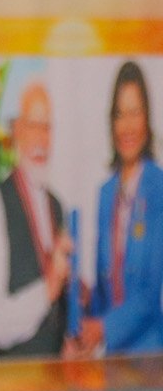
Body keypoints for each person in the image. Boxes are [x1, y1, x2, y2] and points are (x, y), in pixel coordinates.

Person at [0, 79, 72, 359]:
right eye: (33, 126)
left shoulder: (58, 206)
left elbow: (55, 313)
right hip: (13, 378)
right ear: (17, 130)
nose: (41, 139)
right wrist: (47, 290)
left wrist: (68, 338)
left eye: (47, 128)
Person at [77, 61, 163, 356]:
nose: (127, 126)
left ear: (147, 118)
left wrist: (103, 328)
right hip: (112, 360)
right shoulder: (105, 194)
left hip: (150, 356)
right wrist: (86, 298)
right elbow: (107, 294)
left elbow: (149, 295)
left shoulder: (158, 188)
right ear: (111, 122)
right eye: (119, 114)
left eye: (135, 112)